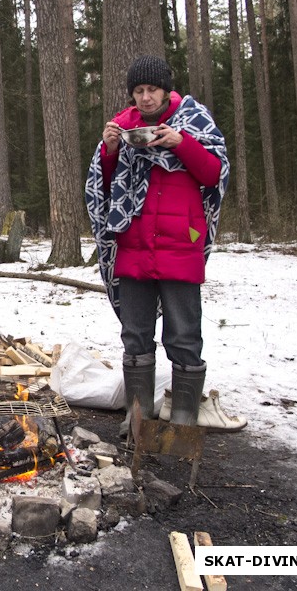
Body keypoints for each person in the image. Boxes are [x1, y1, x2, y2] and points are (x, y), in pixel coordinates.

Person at [85, 55, 246, 438]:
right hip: (135, 243)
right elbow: (105, 189)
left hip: (181, 243)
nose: (144, 98)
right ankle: (137, 415)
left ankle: (185, 419)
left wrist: (180, 143)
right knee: (135, 333)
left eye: (151, 90)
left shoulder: (193, 119)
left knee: (184, 335)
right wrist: (109, 151)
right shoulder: (124, 127)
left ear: (165, 89)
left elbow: (213, 173)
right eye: (138, 91)